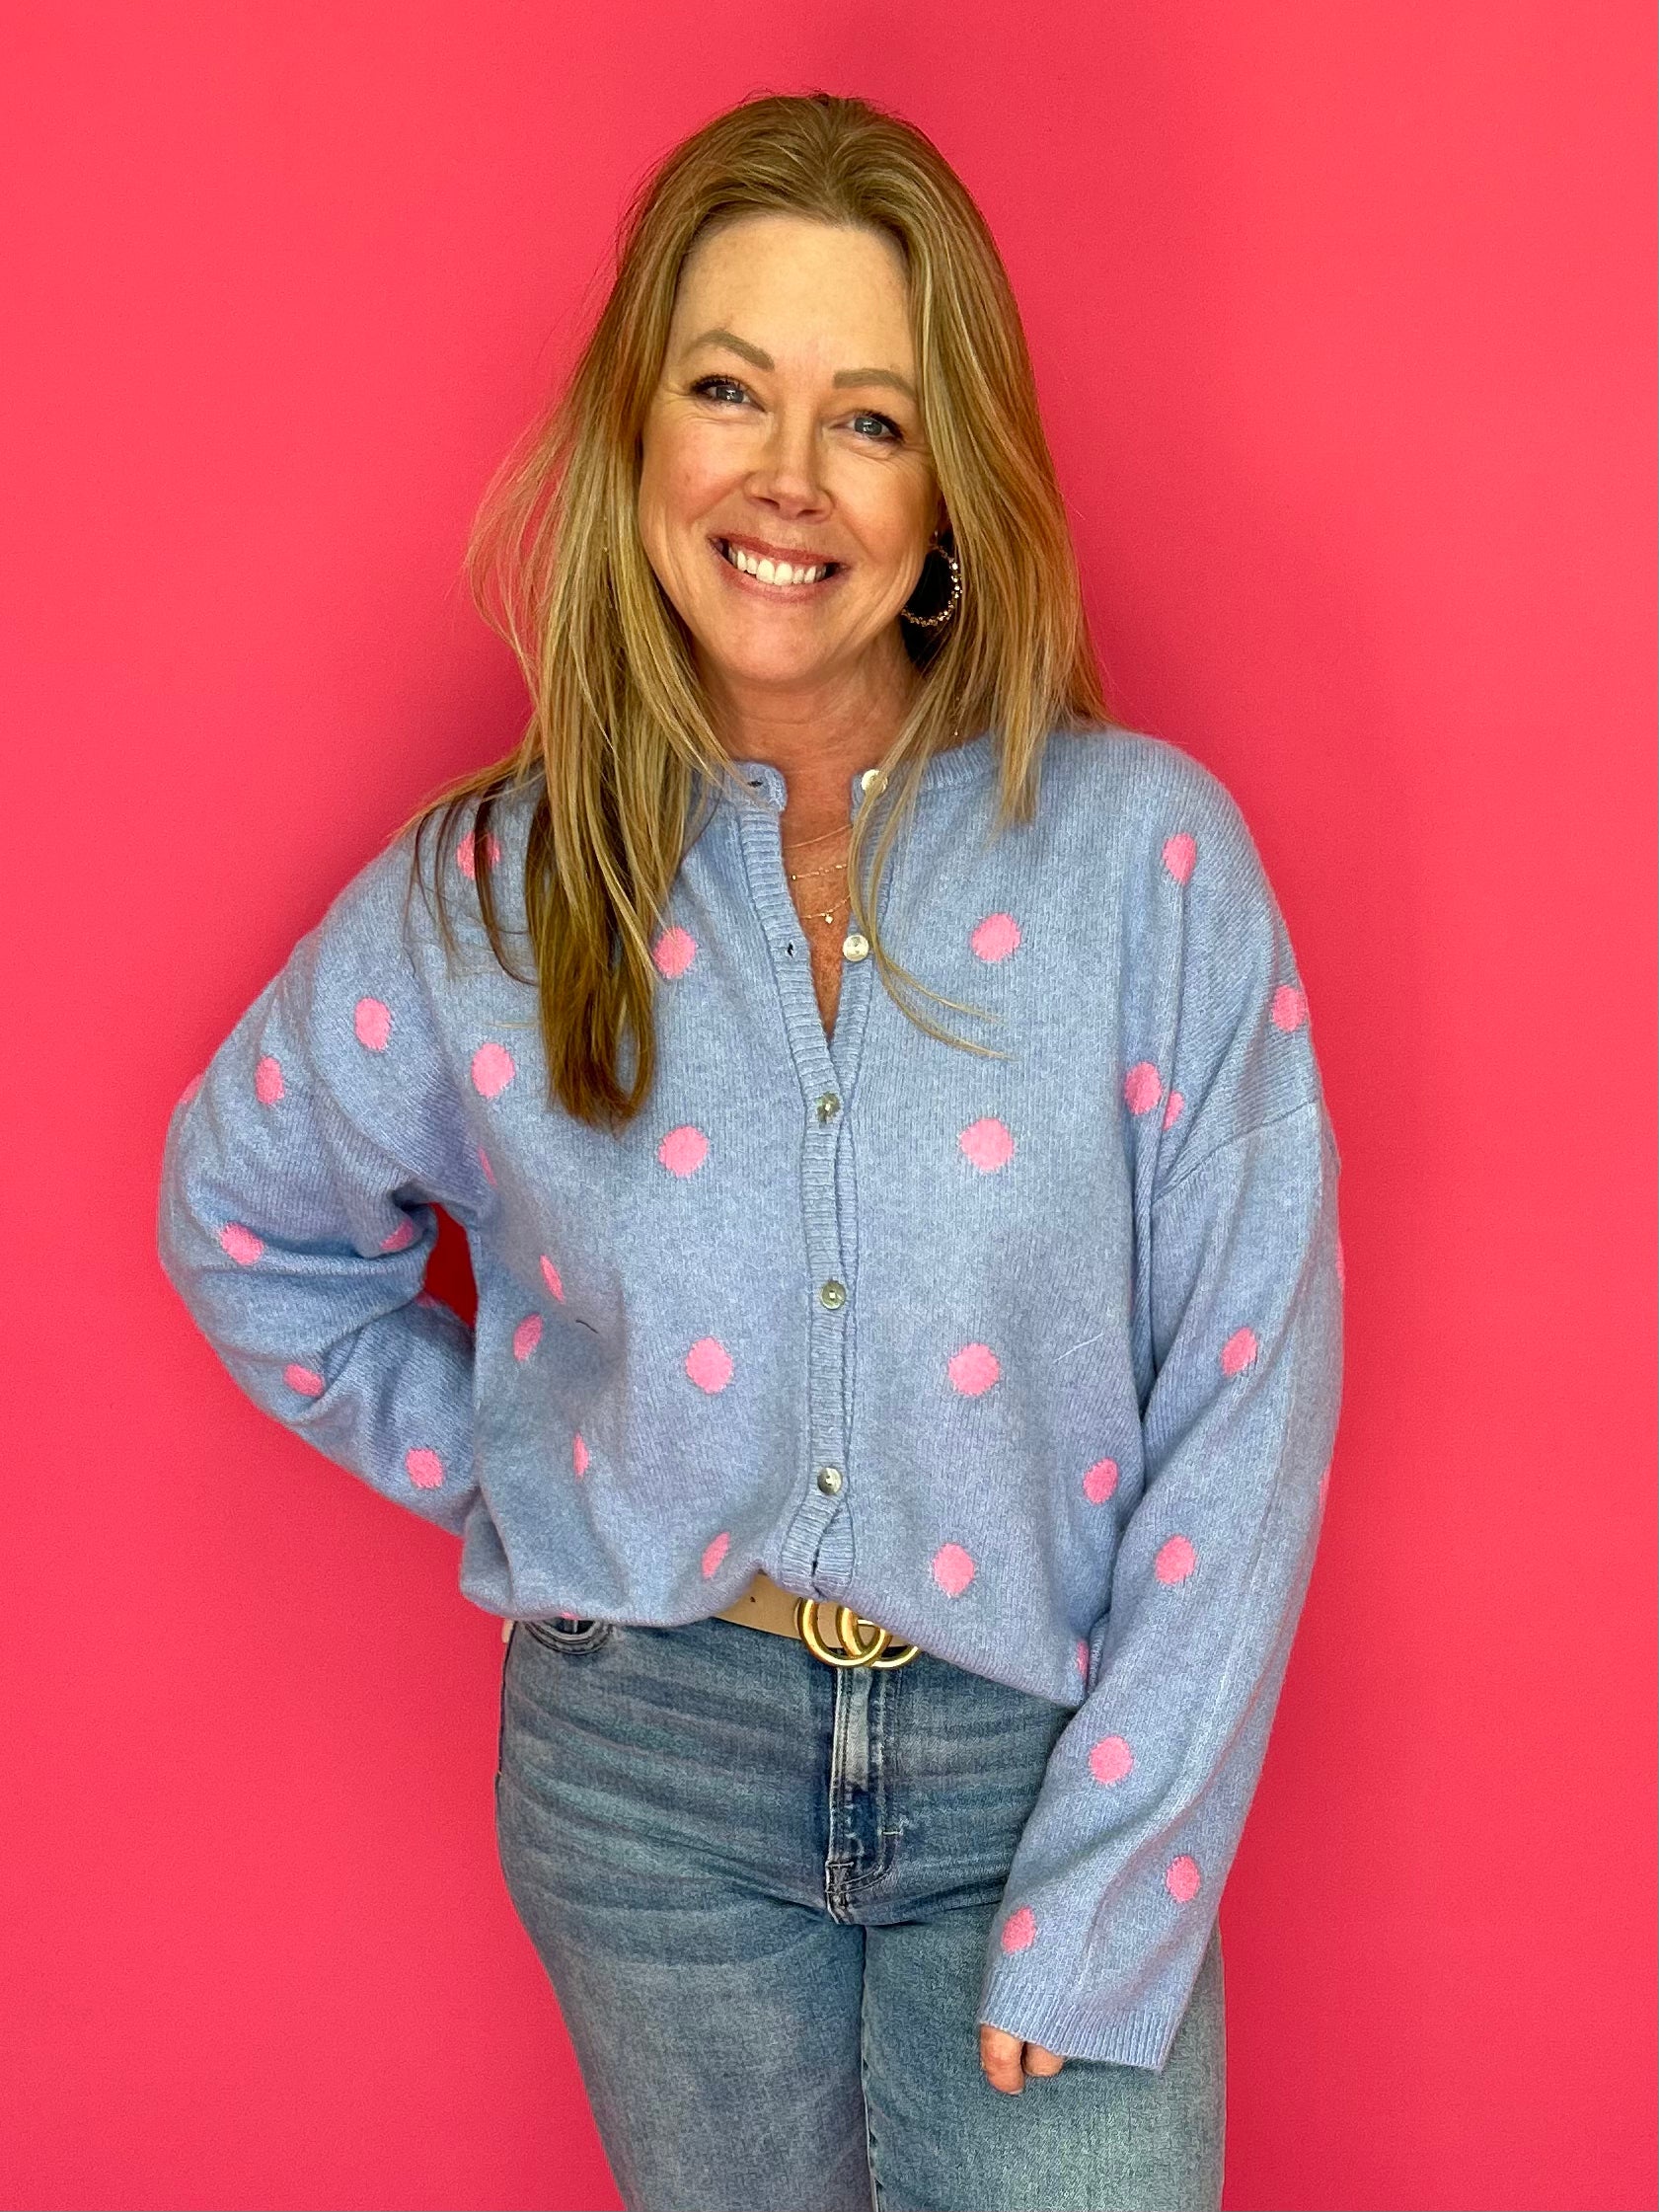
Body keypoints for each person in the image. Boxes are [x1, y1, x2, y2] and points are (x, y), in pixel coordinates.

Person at [156, 90, 1344, 2212]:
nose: (787, 475)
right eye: (728, 389)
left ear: (950, 486)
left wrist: (1115, 1880)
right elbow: (237, 1215)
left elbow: (1247, 1398)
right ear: (639, 431)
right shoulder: (494, 897)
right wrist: (543, 1472)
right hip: (648, 1798)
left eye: (868, 419)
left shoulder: (1141, 861)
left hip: (1035, 1769)